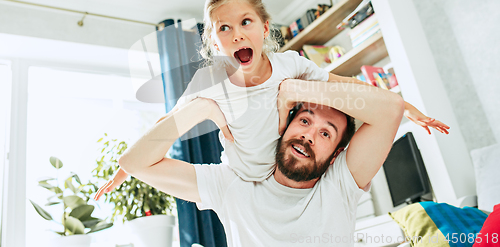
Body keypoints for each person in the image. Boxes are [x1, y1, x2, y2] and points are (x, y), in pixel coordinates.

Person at [94, 0, 448, 199]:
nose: (237, 34)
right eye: (224, 29)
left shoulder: (290, 65)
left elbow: (342, 84)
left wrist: (404, 105)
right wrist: (126, 170)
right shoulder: (210, 81)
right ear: (214, 43)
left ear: (265, 28)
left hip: (288, 173)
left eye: (246, 22)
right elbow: (170, 120)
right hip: (241, 179)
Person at [115, 76, 407, 246]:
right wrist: (200, 110)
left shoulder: (341, 183)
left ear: (335, 157)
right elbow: (137, 163)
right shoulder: (232, 184)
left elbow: (391, 108)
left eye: (325, 134)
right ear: (284, 125)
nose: (308, 136)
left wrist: (296, 89)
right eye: (304, 120)